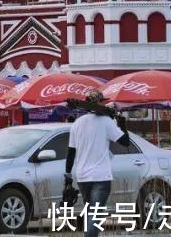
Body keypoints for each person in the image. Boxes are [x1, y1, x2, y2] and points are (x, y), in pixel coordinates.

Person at [64, 91, 132, 237]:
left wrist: (68, 175)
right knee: (94, 216)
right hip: (101, 177)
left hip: (82, 177)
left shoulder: (77, 123)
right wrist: (122, 125)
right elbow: (125, 142)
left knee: (91, 213)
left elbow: (71, 153)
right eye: (103, 102)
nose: (105, 104)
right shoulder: (106, 122)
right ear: (98, 103)